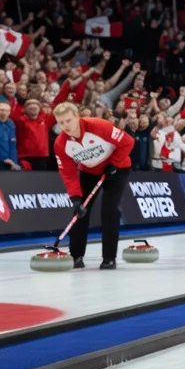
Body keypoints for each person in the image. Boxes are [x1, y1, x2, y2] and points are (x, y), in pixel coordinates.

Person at [52, 102, 135, 269]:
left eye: (68, 120)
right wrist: (75, 198)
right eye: (61, 123)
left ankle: (109, 257)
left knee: (109, 210)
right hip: (89, 171)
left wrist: (115, 163)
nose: (65, 126)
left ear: (77, 117)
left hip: (117, 169)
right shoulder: (61, 144)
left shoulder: (99, 126)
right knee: (81, 211)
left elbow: (128, 141)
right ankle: (76, 256)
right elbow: (67, 173)